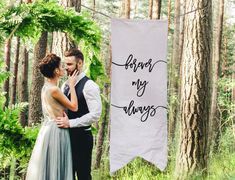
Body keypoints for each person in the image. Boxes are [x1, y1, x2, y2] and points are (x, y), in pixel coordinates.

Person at [26, 53, 79, 180]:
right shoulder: (54, 90)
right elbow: (74, 107)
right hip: (57, 130)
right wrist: (72, 85)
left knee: (49, 166)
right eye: (61, 66)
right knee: (56, 165)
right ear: (56, 71)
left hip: (48, 128)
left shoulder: (46, 87)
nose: (64, 68)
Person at [56, 48, 102, 180]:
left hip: (82, 138)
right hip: (65, 137)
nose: (66, 68)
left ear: (80, 63)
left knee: (83, 176)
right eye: (65, 65)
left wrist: (70, 123)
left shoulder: (90, 86)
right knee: (66, 175)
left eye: (70, 64)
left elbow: (95, 114)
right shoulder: (65, 85)